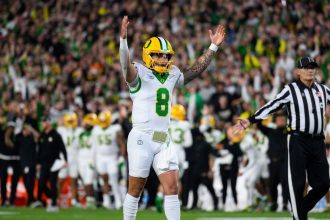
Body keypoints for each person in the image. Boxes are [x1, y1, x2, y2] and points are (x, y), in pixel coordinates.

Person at [119, 15, 225, 220]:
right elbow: (125, 64)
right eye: (158, 55)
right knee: (136, 189)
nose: (163, 59)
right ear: (148, 55)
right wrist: (123, 41)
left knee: (172, 187)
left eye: (166, 56)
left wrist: (212, 48)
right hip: (142, 136)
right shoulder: (138, 73)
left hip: (162, 138)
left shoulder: (172, 74)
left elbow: (194, 71)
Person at [234, 56, 330, 220]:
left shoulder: (323, 90)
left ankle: (299, 211)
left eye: (312, 67)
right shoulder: (291, 89)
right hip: (298, 140)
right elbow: (272, 105)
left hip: (318, 141)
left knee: (323, 184)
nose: (310, 70)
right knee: (297, 184)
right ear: (298, 72)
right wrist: (250, 120)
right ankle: (299, 216)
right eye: (306, 67)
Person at [92, 110, 126, 209]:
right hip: (100, 157)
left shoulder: (115, 129)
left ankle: (118, 201)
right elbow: (94, 146)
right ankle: (106, 201)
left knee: (114, 179)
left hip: (112, 156)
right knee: (104, 179)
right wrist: (92, 159)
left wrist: (121, 157)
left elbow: (122, 144)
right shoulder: (96, 129)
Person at [33, 116, 67, 212]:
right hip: (44, 163)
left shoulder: (56, 135)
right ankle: (51, 196)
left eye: (43, 123)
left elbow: (62, 148)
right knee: (41, 183)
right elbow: (39, 150)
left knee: (53, 182)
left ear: (48, 123)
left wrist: (65, 160)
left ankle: (54, 204)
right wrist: (38, 162)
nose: (42, 125)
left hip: (54, 163)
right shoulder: (42, 135)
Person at [57, 113, 82, 208]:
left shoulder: (79, 130)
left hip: (74, 158)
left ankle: (74, 200)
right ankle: (56, 199)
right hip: (63, 158)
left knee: (73, 180)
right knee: (60, 179)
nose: (71, 123)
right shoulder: (61, 130)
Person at [16, 123, 39, 206]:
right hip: (23, 163)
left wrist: (32, 129)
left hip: (32, 163)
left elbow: (38, 136)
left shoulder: (31, 138)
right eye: (27, 129)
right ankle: (31, 199)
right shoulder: (19, 138)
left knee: (30, 182)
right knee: (26, 182)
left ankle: (31, 200)